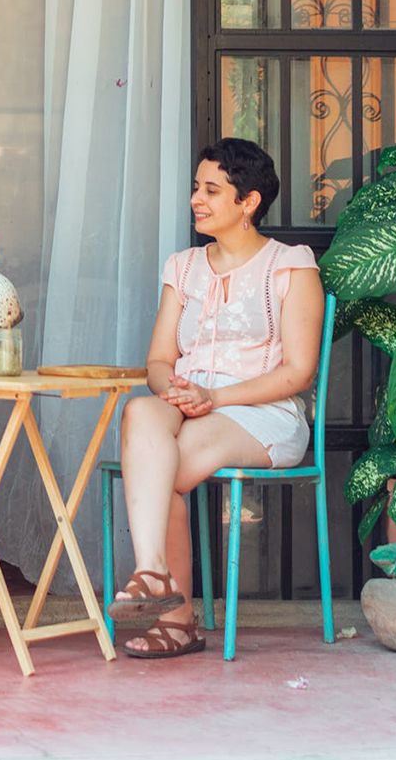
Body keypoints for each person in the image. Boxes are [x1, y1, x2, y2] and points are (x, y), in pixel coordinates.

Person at [105, 138, 325, 659]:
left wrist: (215, 396)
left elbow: (298, 373)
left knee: (166, 469)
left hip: (263, 413)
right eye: (195, 188)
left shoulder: (291, 266)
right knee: (140, 409)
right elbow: (158, 360)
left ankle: (175, 617)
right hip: (189, 404)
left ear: (248, 203)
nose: (196, 200)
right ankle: (155, 575)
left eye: (211, 190)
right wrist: (174, 391)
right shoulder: (182, 268)